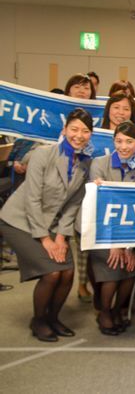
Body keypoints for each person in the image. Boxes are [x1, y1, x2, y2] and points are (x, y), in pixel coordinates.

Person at [0, 108, 93, 342]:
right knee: (52, 273)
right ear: (64, 130)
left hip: (53, 224)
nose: (79, 135)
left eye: (85, 131)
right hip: (18, 220)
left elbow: (73, 204)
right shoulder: (43, 154)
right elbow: (32, 199)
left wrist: (61, 237)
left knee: (68, 272)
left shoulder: (85, 163)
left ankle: (53, 318)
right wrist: (45, 239)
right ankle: (39, 320)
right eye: (74, 129)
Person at [88, 121, 135, 335]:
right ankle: (104, 312)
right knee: (113, 268)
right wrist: (114, 244)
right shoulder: (99, 163)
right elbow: (99, 206)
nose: (124, 146)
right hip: (100, 229)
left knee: (131, 269)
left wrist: (129, 247)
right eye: (119, 141)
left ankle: (116, 310)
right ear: (113, 141)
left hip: (127, 230)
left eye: (129, 141)